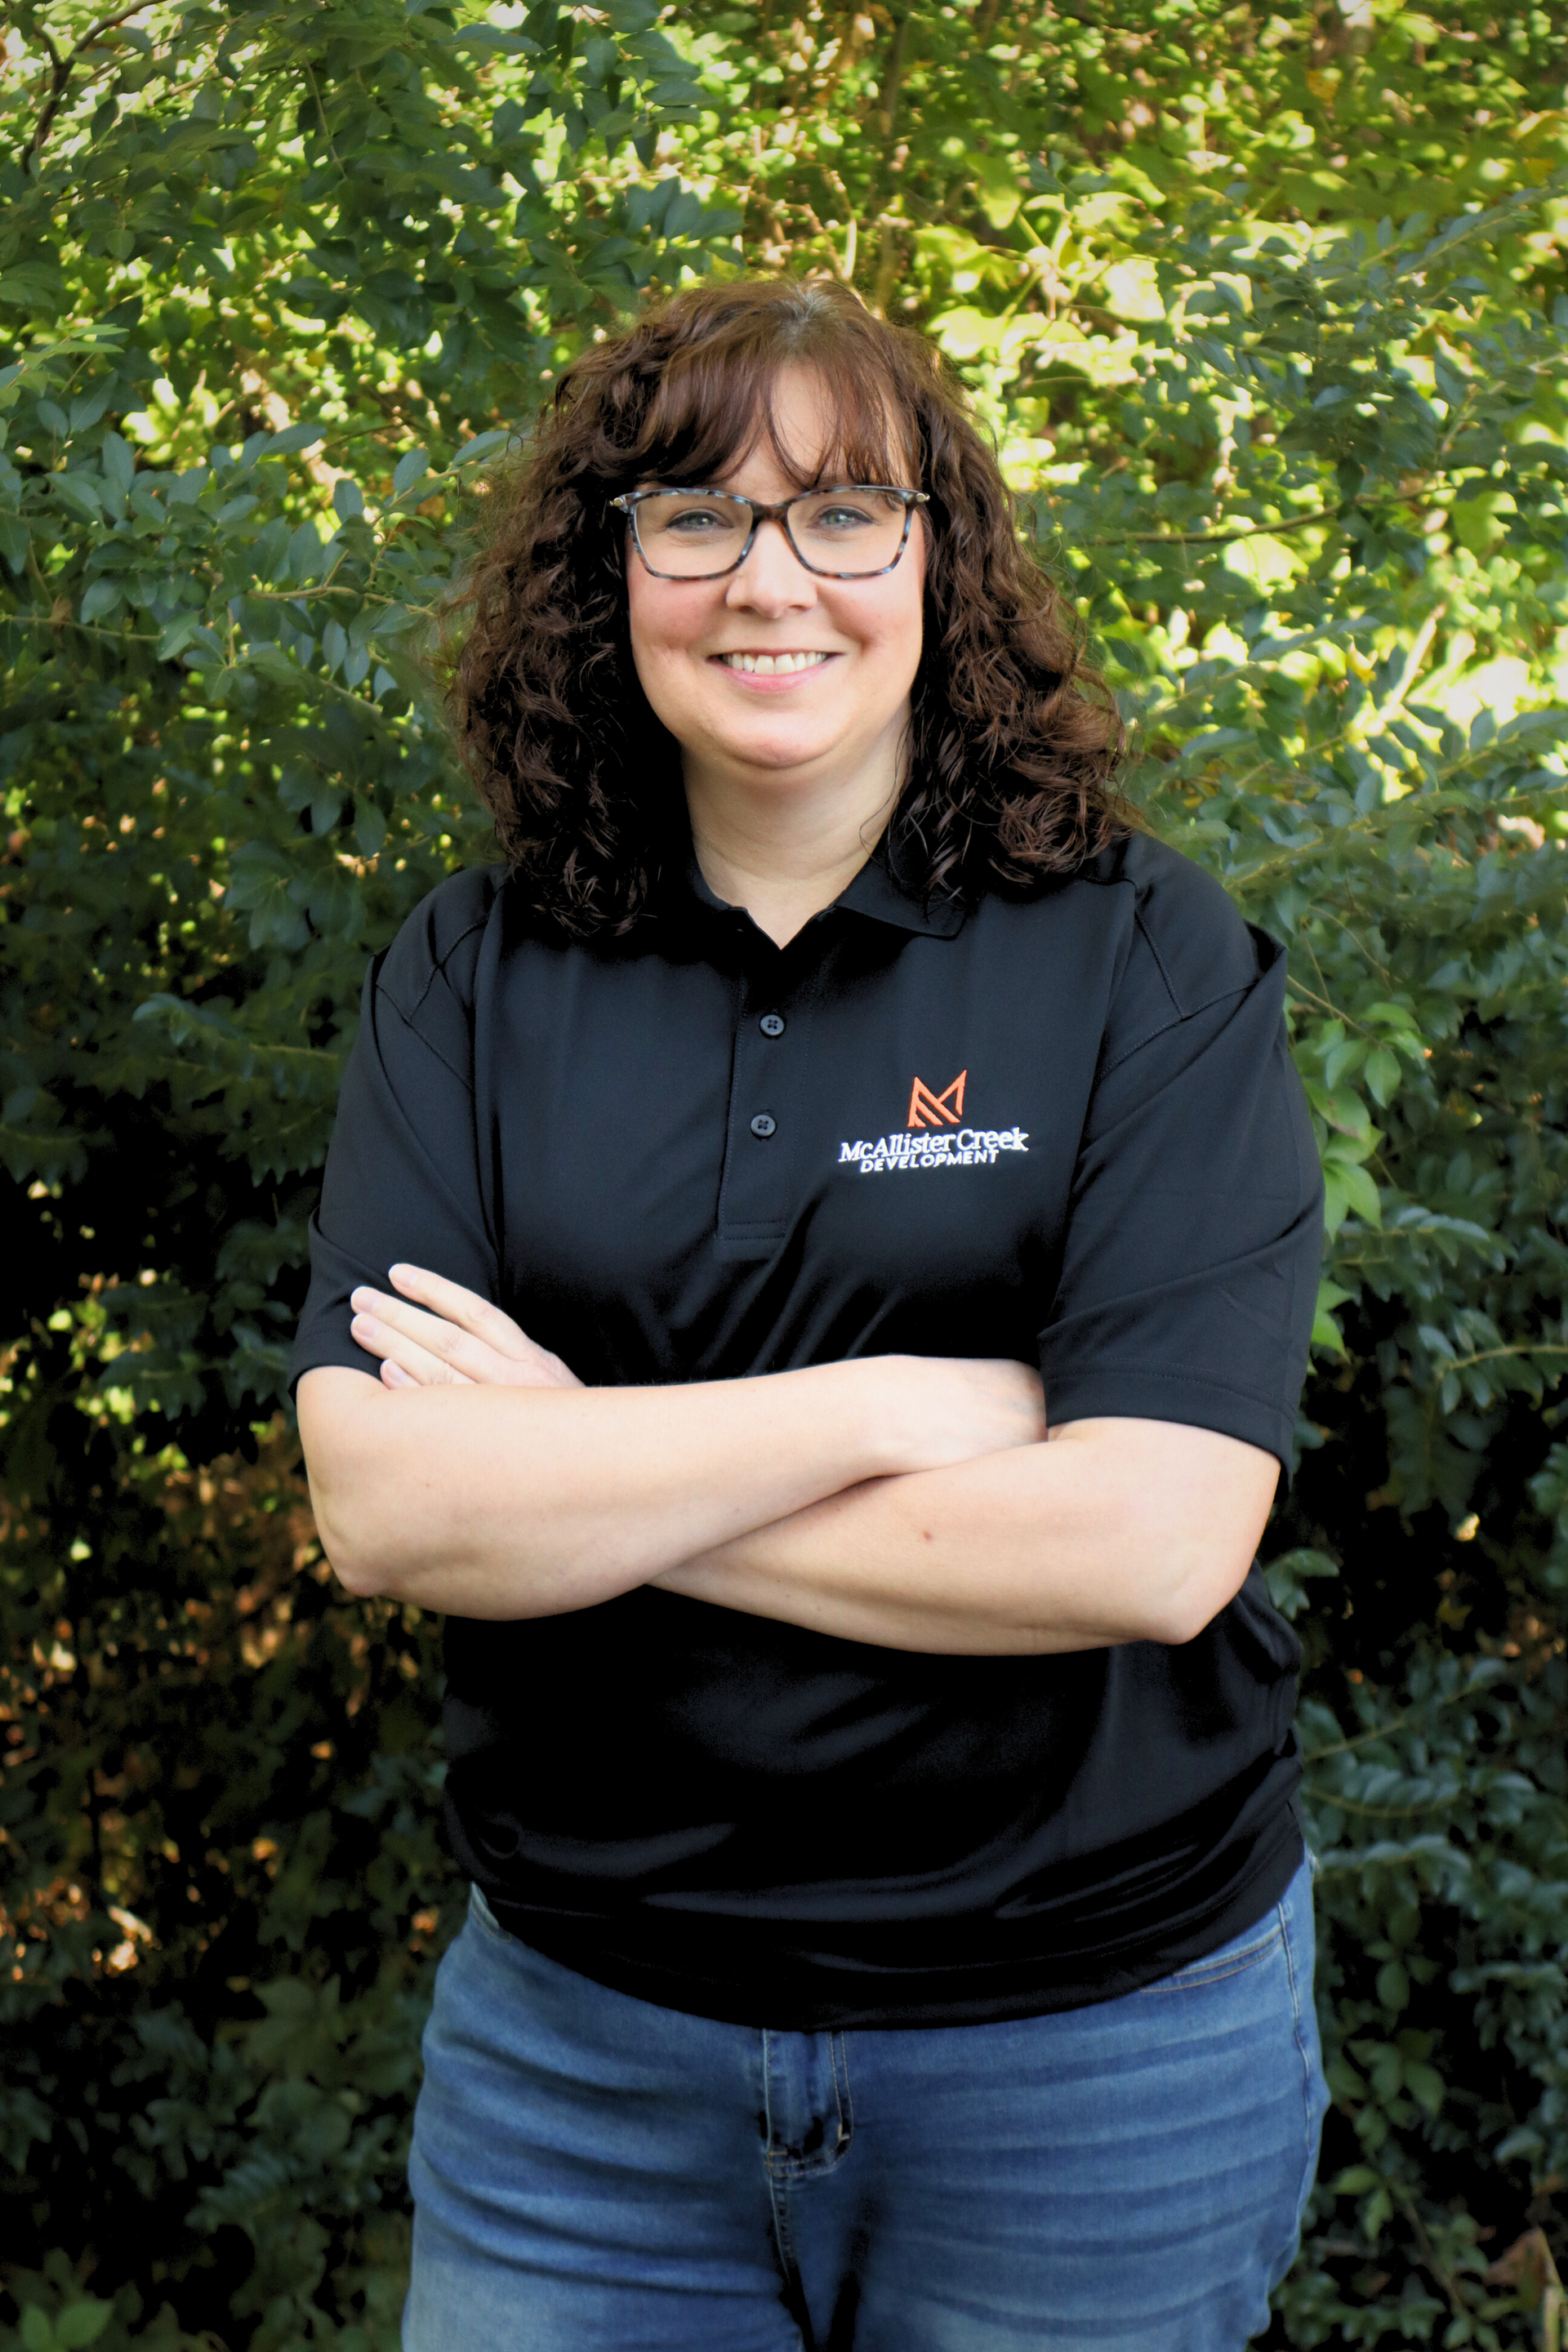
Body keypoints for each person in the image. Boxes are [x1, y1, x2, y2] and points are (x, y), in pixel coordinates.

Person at [292, 276, 1330, 2352]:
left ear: (939, 561)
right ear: (617, 574)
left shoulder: (1143, 953)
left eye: (846, 510)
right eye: (697, 514)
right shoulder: (477, 972)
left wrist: (581, 1459)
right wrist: (894, 1405)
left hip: (1091, 2054)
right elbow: (395, 1515)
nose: (774, 579)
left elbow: (1149, 1540)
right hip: (585, 2060)